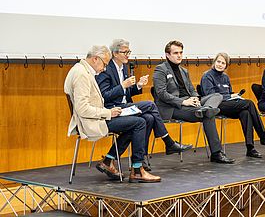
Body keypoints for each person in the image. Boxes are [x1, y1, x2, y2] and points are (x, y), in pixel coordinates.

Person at [64, 45, 160, 183]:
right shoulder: (82, 75)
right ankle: (137, 170)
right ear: (95, 59)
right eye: (104, 64)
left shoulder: (82, 70)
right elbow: (83, 109)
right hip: (92, 121)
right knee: (140, 122)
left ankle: (110, 161)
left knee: (142, 118)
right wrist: (109, 112)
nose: (104, 68)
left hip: (98, 117)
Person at [96, 39, 192, 171]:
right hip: (111, 109)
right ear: (115, 53)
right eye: (125, 52)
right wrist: (123, 85)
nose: (127, 55)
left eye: (129, 52)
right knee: (150, 105)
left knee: (148, 119)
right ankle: (168, 142)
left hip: (124, 107)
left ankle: (124, 160)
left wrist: (138, 86)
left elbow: (126, 93)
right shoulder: (106, 69)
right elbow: (104, 96)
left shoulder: (123, 66)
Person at [153, 40, 235, 164]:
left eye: (181, 52)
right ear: (167, 55)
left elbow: (191, 89)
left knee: (217, 96)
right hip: (173, 107)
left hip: (191, 104)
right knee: (209, 115)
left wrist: (196, 98)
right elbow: (161, 94)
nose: (179, 55)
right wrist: (183, 102)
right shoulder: (160, 69)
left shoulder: (184, 71)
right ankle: (216, 153)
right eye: (176, 53)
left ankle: (205, 108)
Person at [200, 52, 265, 158]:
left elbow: (228, 92)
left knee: (245, 112)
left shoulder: (225, 77)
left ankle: (250, 148)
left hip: (227, 104)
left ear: (226, 66)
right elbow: (210, 96)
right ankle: (263, 136)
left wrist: (234, 96)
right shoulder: (207, 76)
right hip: (215, 106)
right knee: (249, 103)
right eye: (218, 62)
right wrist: (229, 97)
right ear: (214, 62)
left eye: (223, 63)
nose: (220, 64)